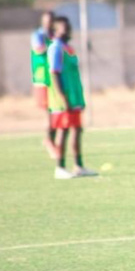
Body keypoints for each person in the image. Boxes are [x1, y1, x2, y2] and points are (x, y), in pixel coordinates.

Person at [47, 16, 97, 179]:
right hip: (64, 98)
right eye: (64, 28)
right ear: (55, 31)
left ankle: (78, 166)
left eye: (69, 28)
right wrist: (63, 97)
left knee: (77, 129)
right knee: (64, 130)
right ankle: (60, 167)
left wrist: (79, 97)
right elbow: (54, 73)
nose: (68, 31)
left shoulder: (68, 48)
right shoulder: (56, 48)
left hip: (74, 96)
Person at [31, 10, 58, 157]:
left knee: (56, 111)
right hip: (43, 79)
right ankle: (49, 141)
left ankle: (51, 140)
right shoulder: (38, 35)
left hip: (55, 80)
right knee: (49, 112)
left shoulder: (55, 37)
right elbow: (39, 49)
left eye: (51, 21)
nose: (49, 24)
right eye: (47, 21)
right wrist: (56, 47)